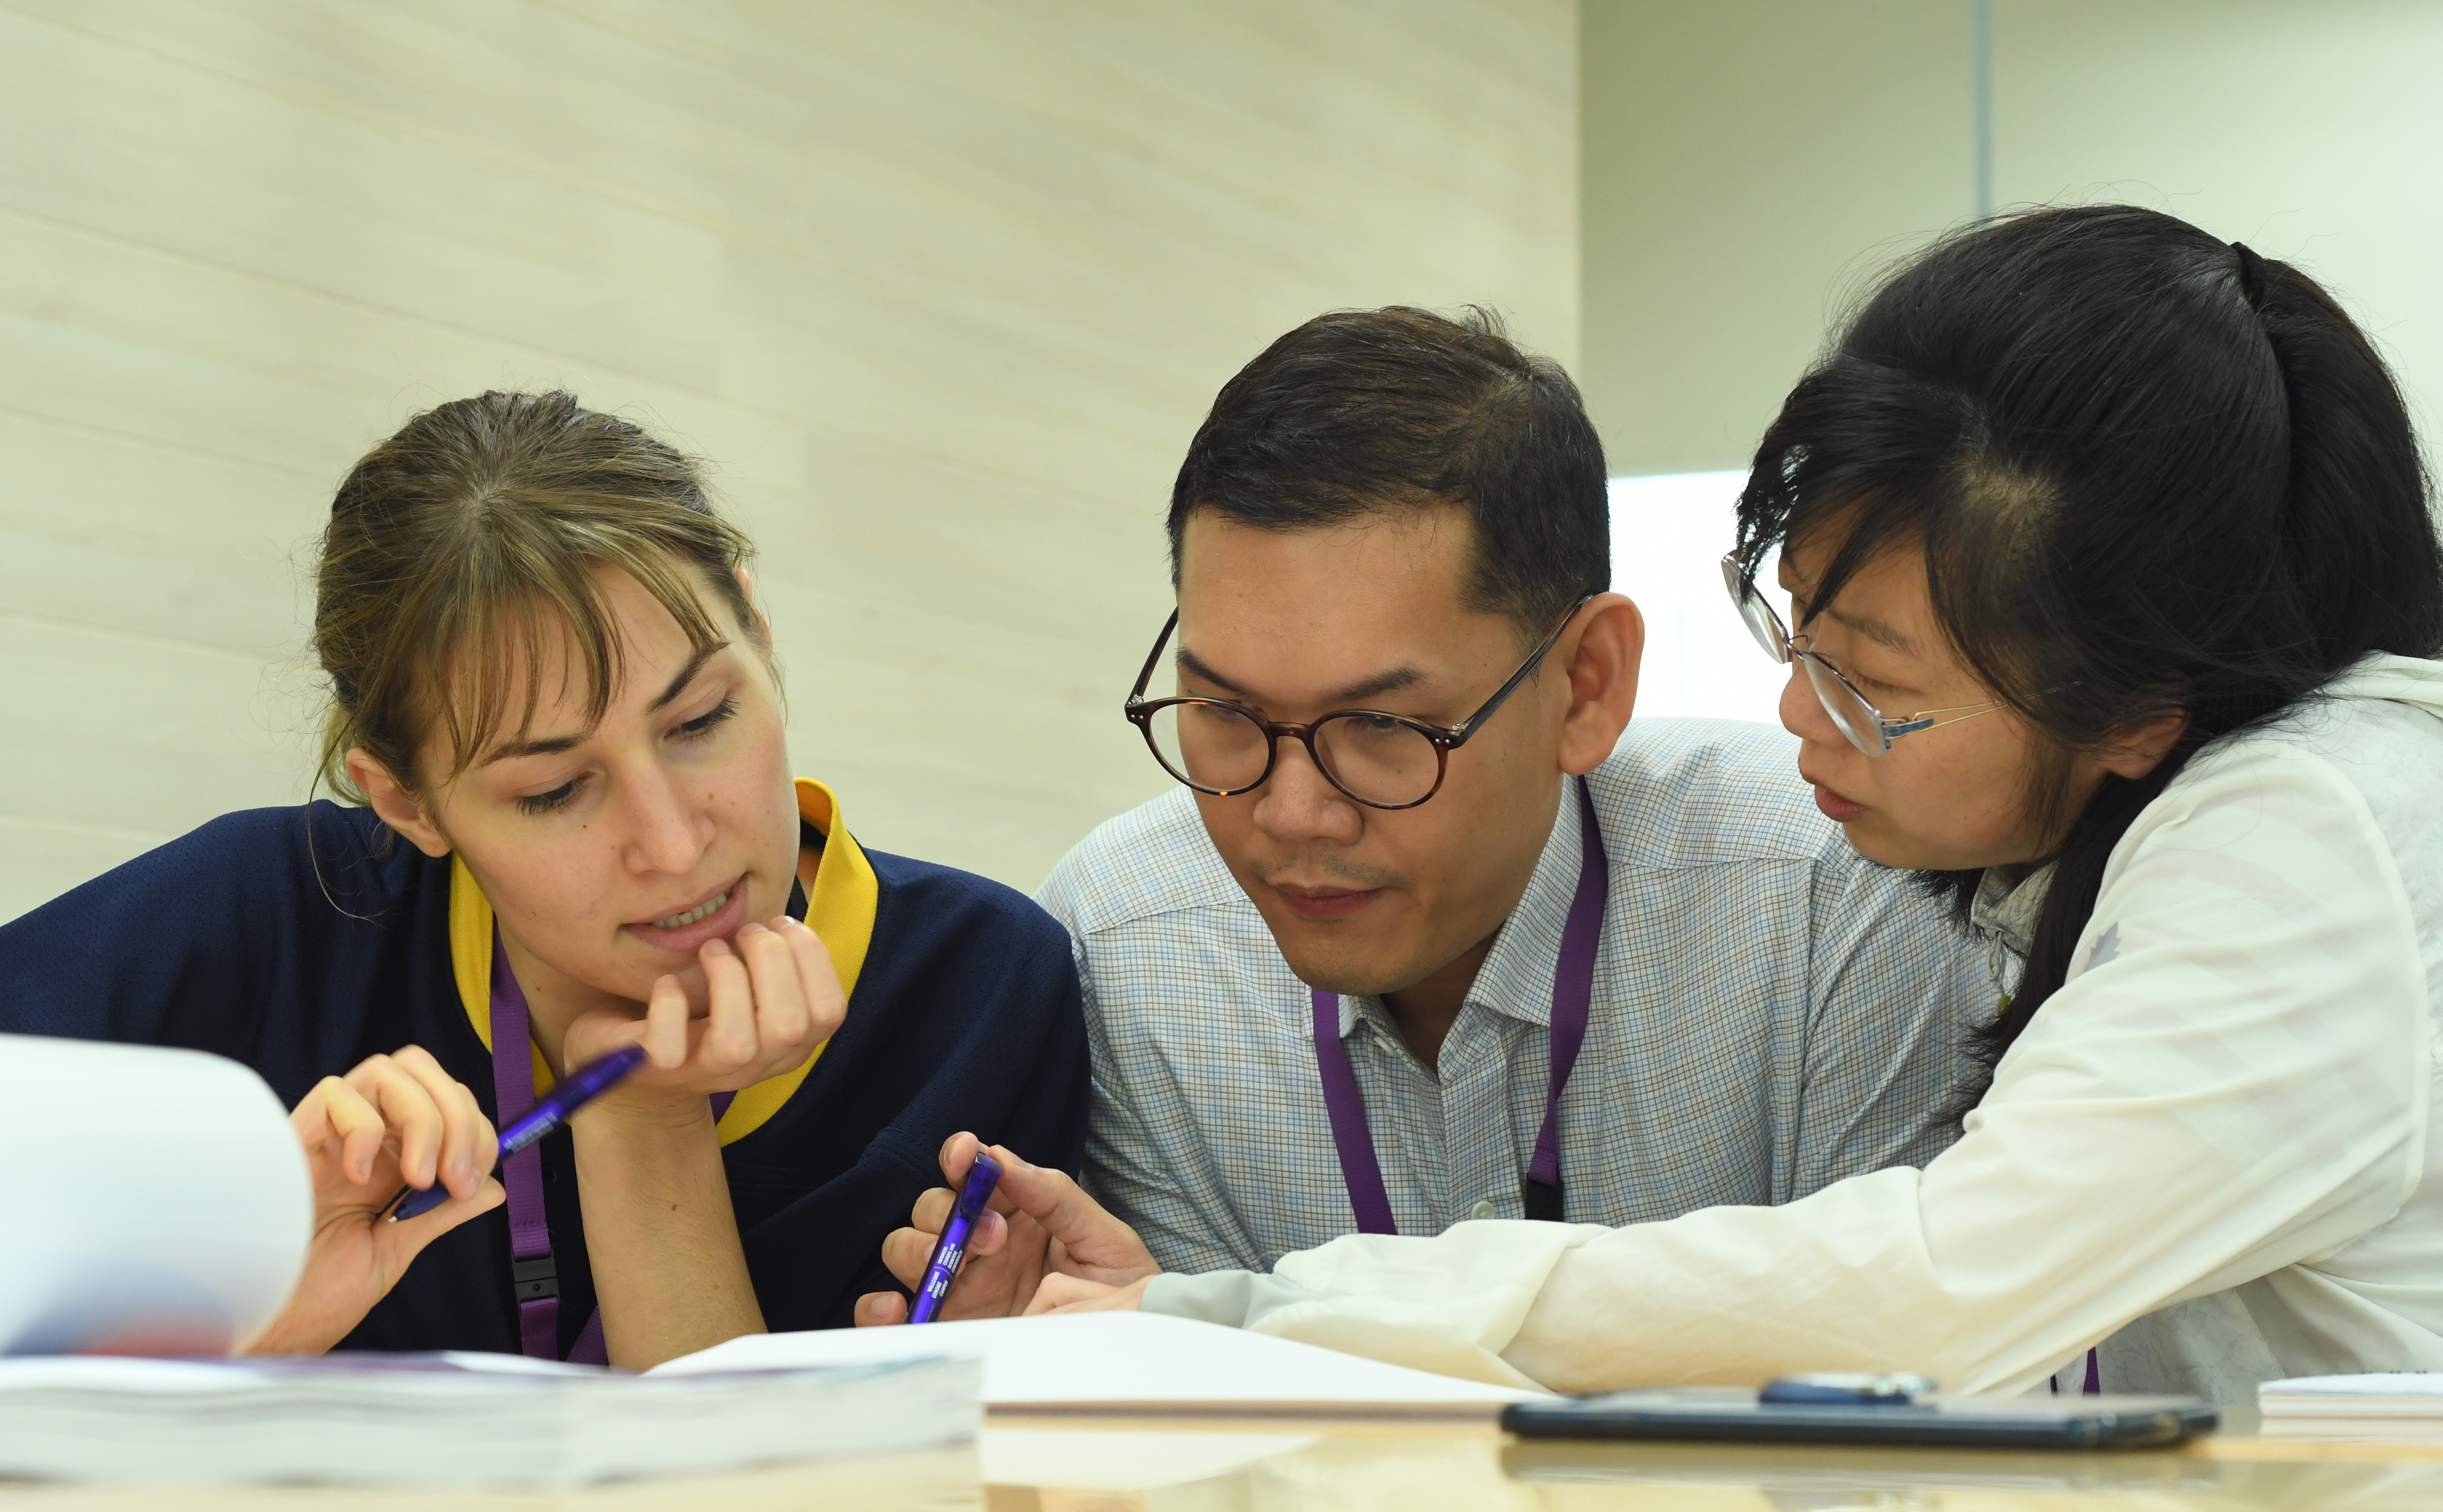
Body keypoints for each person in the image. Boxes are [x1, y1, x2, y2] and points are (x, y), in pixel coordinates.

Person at [939, 206, 2443, 1405]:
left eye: (1866, 682)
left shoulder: (2313, 831)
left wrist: (1243, 1314)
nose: (1796, 714)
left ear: (2135, 706)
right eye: (1795, 639)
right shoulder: (2107, 848)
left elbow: (1923, 1296)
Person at [855, 306, 1989, 1326]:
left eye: (1385, 731)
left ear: (1586, 684)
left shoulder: (1835, 901)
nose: (1289, 817)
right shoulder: (1132, 943)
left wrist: (1236, 1339)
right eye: (1223, 712)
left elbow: (1912, 1411)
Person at [0, 391, 1088, 1368]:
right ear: (408, 803)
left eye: (703, 720)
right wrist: (234, 1322)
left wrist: (642, 1116)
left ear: (758, 634)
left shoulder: (983, 988)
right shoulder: (269, 920)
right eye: (555, 790)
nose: (671, 844)